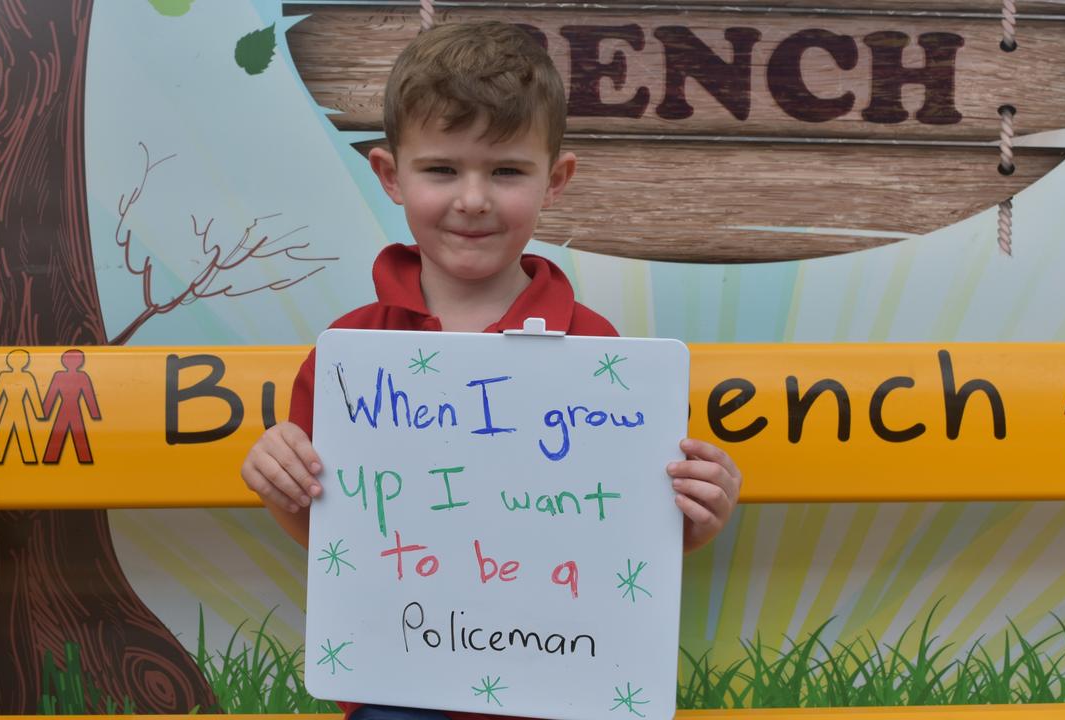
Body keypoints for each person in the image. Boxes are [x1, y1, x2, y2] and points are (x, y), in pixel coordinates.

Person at [241, 21, 743, 720]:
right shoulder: (351, 352)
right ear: (391, 175)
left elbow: (628, 537)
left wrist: (696, 513)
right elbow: (331, 531)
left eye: (505, 171)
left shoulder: (599, 356)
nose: (472, 199)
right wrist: (278, 478)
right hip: (399, 681)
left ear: (554, 180)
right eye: (441, 169)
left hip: (558, 684)